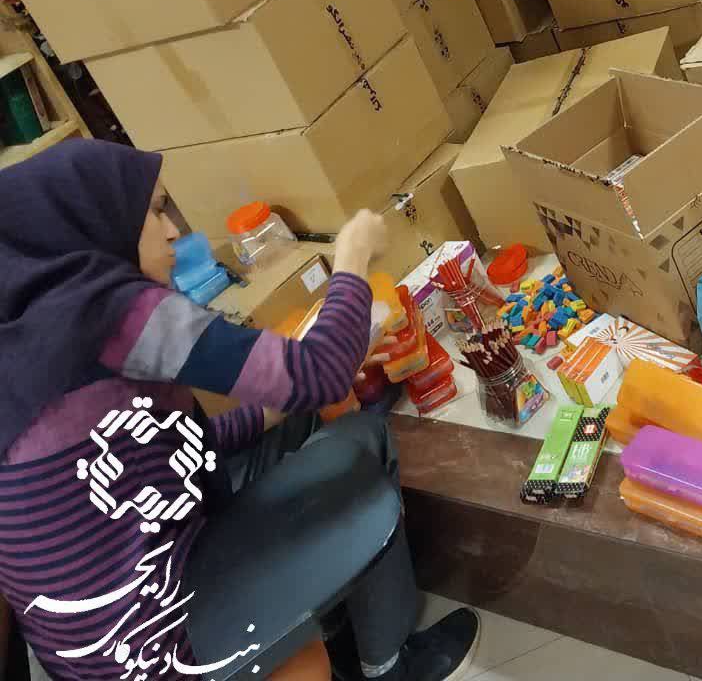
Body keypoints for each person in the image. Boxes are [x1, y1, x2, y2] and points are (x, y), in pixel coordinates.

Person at [0, 139, 480, 681]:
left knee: (300, 418)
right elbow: (320, 371)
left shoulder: (29, 337)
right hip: (163, 639)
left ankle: (340, 631)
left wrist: (286, 403)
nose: (174, 231)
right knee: (362, 438)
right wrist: (351, 257)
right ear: (95, 222)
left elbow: (174, 447)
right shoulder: (111, 313)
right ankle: (388, 665)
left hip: (97, 651)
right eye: (155, 211)